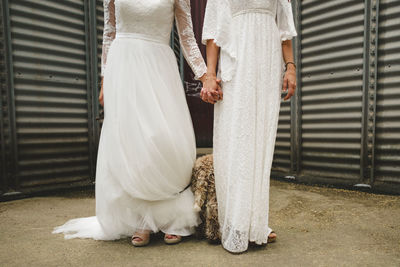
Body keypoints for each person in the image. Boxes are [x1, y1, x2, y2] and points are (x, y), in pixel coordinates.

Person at [53, 0, 219, 246]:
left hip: (158, 67)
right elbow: (109, 33)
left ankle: (170, 217)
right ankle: (142, 220)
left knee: (164, 139)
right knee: (132, 144)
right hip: (124, 68)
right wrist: (104, 79)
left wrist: (206, 76)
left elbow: (186, 35)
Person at [201, 0, 297, 253]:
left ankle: (255, 223)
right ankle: (235, 223)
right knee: (237, 138)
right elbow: (213, 33)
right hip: (237, 59)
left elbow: (284, 29)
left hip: (267, 60)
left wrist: (290, 67)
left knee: (261, 138)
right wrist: (210, 75)